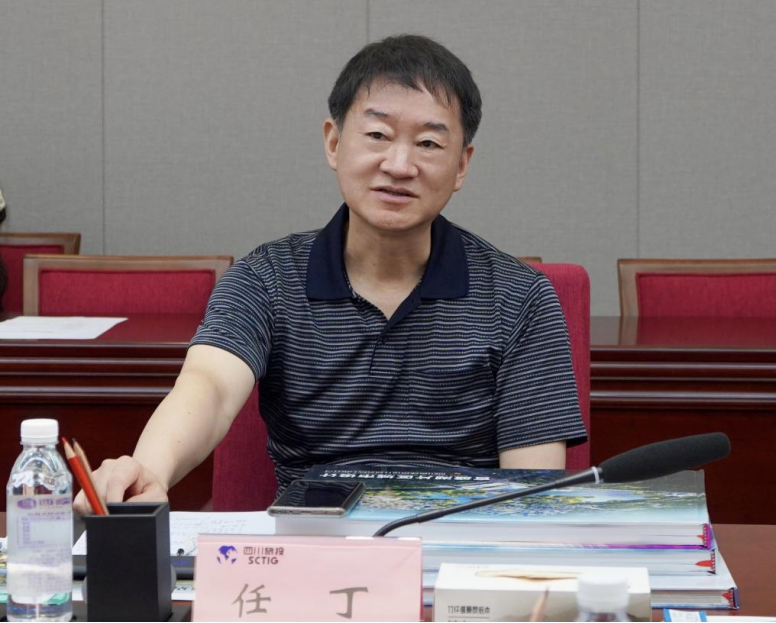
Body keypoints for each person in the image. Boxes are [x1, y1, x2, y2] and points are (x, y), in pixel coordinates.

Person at [74, 34, 587, 514]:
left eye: (429, 144)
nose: (399, 164)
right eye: (378, 135)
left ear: (462, 165)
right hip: (312, 539)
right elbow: (208, 388)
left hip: (457, 545)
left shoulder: (519, 296)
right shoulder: (266, 280)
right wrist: (149, 469)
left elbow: (532, 493)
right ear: (334, 143)